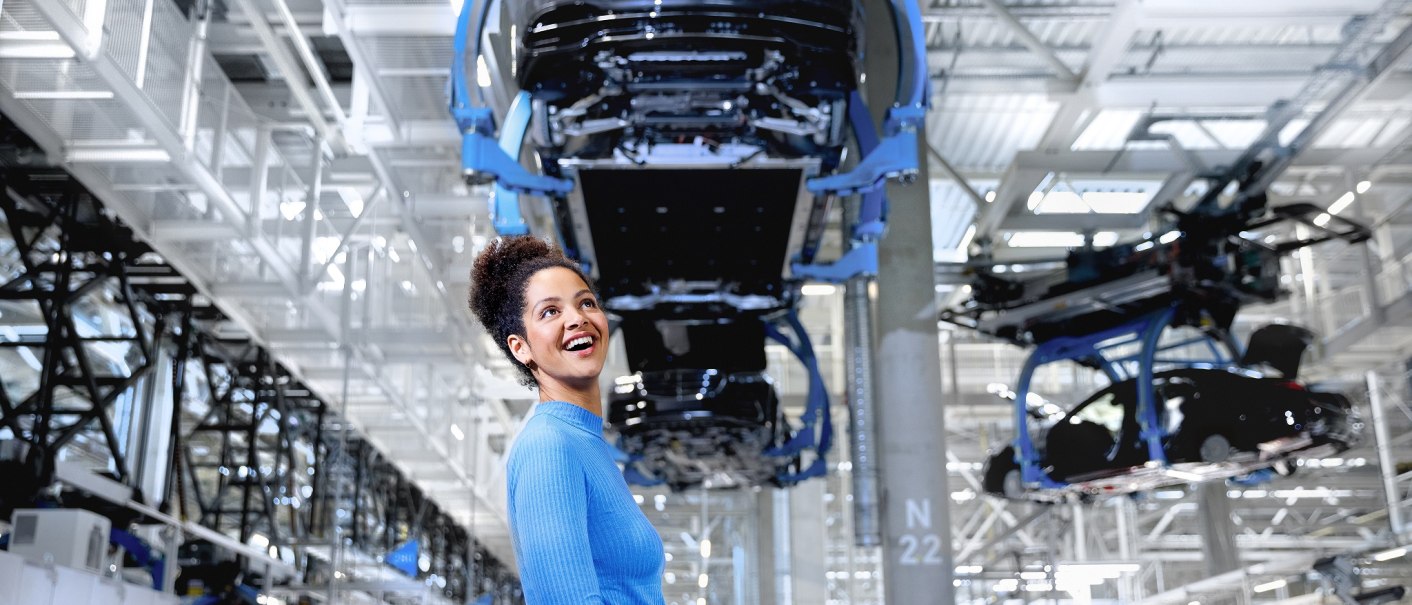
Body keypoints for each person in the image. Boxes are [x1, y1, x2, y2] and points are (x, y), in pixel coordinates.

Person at [468, 235, 666, 604]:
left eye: (586, 303)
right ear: (520, 347)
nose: (578, 319)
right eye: (550, 312)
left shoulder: (586, 442)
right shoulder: (550, 446)